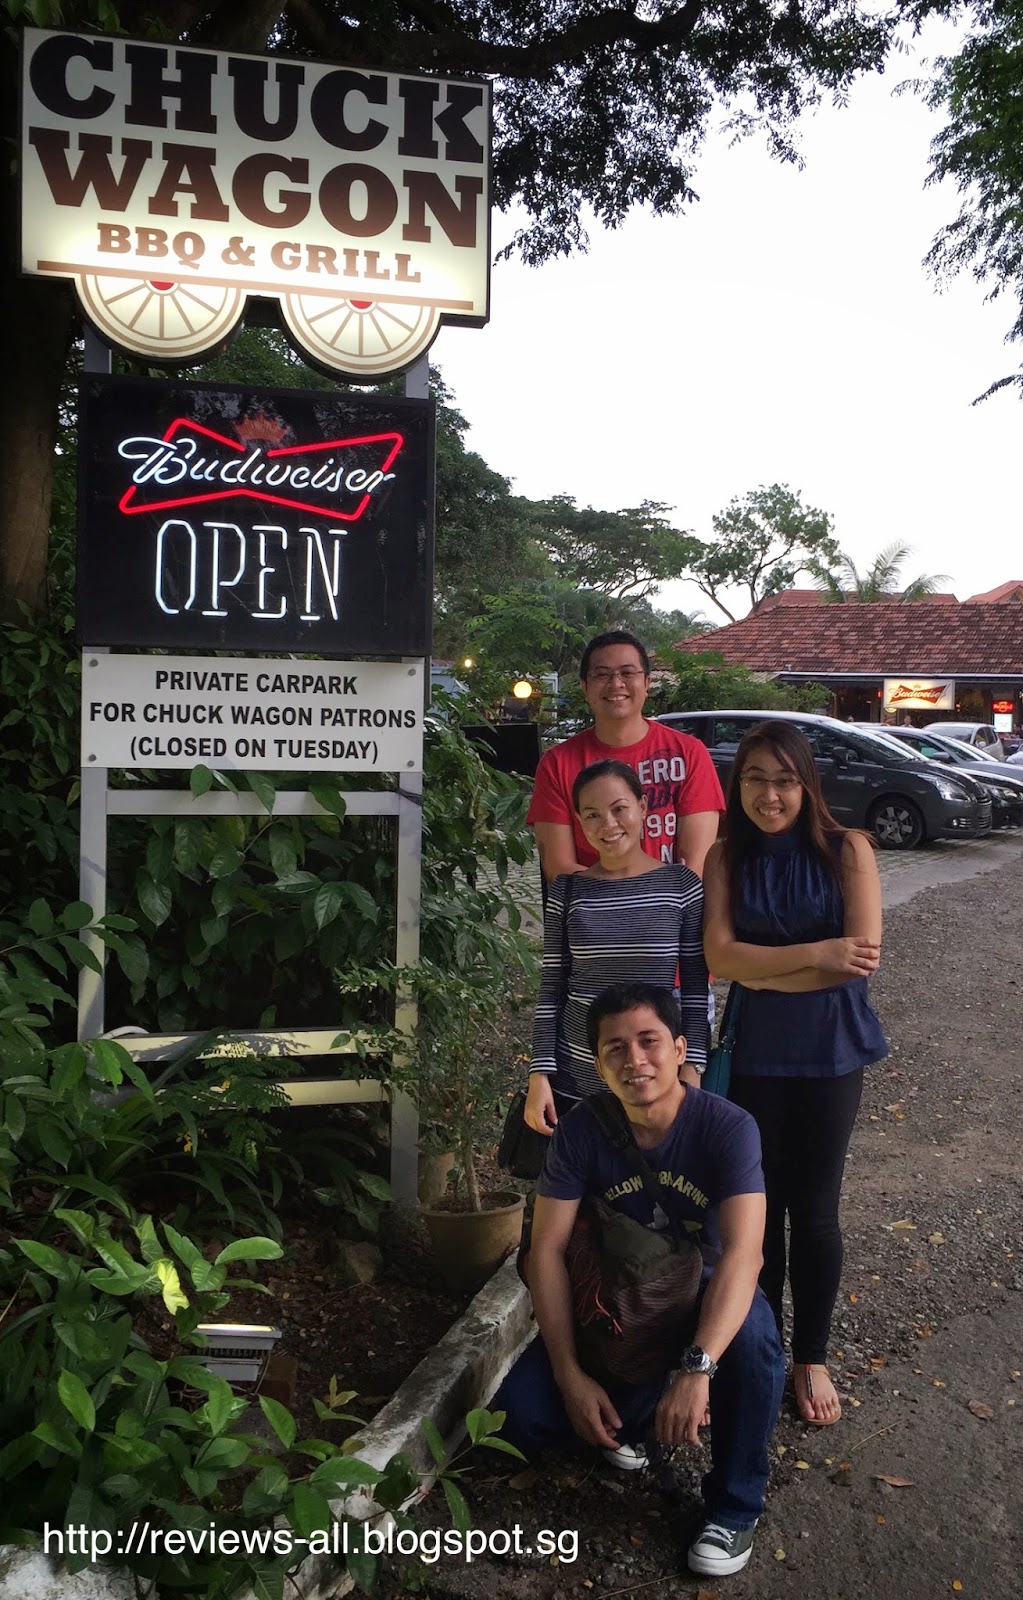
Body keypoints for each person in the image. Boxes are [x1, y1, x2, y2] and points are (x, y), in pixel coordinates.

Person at [495, 982, 785, 1579]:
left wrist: (697, 1369)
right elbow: (546, 1251)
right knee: (523, 1419)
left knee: (754, 1341)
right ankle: (641, 1411)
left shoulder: (727, 1127)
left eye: (649, 1041)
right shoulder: (581, 1130)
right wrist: (569, 1375)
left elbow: (744, 1256)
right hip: (618, 1298)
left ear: (679, 1049)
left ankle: (733, 1508)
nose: (635, 1060)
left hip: (701, 1293)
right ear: (597, 1062)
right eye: (615, 1048)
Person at [702, 721, 887, 1426]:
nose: (770, 795)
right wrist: (816, 954)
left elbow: (860, 958)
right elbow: (720, 956)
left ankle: (811, 1355)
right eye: (755, 778)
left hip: (830, 1051)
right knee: (758, 1211)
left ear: (807, 785)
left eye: (784, 780)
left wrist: (763, 970)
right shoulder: (726, 856)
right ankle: (763, 1349)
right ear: (738, 784)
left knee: (813, 1209)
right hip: (754, 1053)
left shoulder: (849, 850)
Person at [525, 759, 709, 1136]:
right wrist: (539, 1073)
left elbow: (695, 988)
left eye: (619, 809)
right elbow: (551, 987)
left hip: (655, 1077)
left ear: (642, 807)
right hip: (578, 1076)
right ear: (579, 821)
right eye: (592, 814)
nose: (608, 824)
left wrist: (692, 1067)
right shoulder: (567, 890)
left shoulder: (681, 885)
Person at [527, 630, 724, 881]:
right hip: (592, 903)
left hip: (672, 903)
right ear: (585, 686)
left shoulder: (689, 754)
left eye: (628, 673)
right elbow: (559, 867)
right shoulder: (557, 764)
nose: (616, 683)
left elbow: (696, 864)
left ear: (647, 683)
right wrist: (625, 896)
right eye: (602, 674)